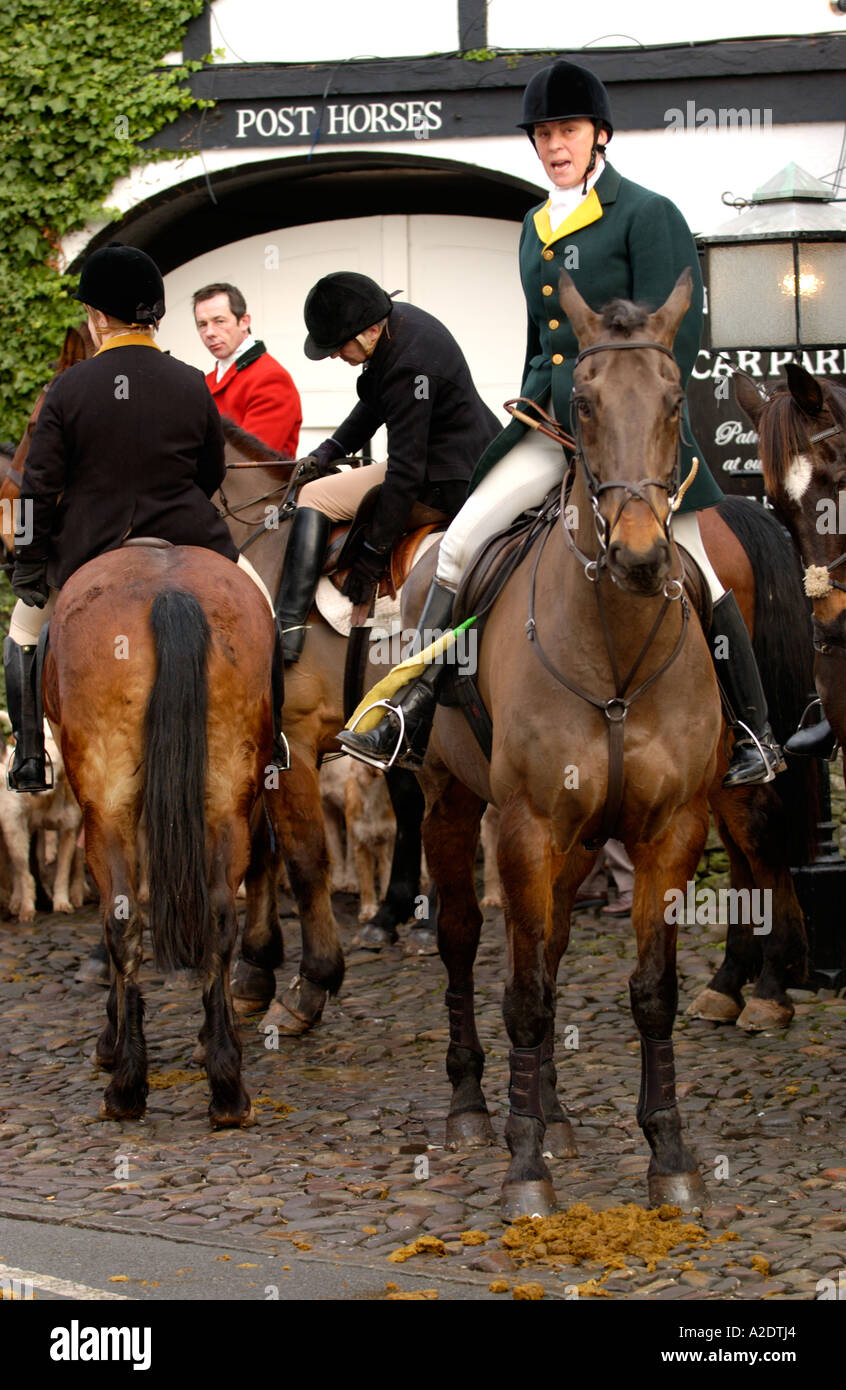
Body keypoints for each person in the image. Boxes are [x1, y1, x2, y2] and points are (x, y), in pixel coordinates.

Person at [339, 60, 785, 789]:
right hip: (551, 429)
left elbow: (678, 335)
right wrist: (527, 413)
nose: (554, 144)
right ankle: (415, 706)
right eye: (543, 133)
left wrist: (637, 431)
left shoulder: (648, 214)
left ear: (599, 135)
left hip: (637, 442)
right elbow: (539, 340)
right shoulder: (533, 224)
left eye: (567, 130)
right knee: (457, 548)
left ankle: (752, 731)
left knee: (698, 566)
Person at [6, 243, 282, 792]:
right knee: (264, 615)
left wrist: (32, 567)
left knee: (21, 634)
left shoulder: (67, 388)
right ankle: (273, 746)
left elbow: (37, 491)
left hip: (92, 544)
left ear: (99, 318)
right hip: (190, 536)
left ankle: (31, 756)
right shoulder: (190, 382)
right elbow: (209, 473)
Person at [275, 270, 500, 662]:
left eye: (336, 347)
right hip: (463, 454)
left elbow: (405, 474)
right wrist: (331, 447)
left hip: (445, 479)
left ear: (369, 333)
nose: (333, 355)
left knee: (314, 496)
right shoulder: (399, 321)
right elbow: (376, 401)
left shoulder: (409, 366)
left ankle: (288, 629)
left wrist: (370, 555)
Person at [193, 282, 302, 456]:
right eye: (202, 324)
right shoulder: (207, 380)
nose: (210, 332)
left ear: (244, 322)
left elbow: (251, 461)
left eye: (219, 321)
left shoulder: (271, 378)